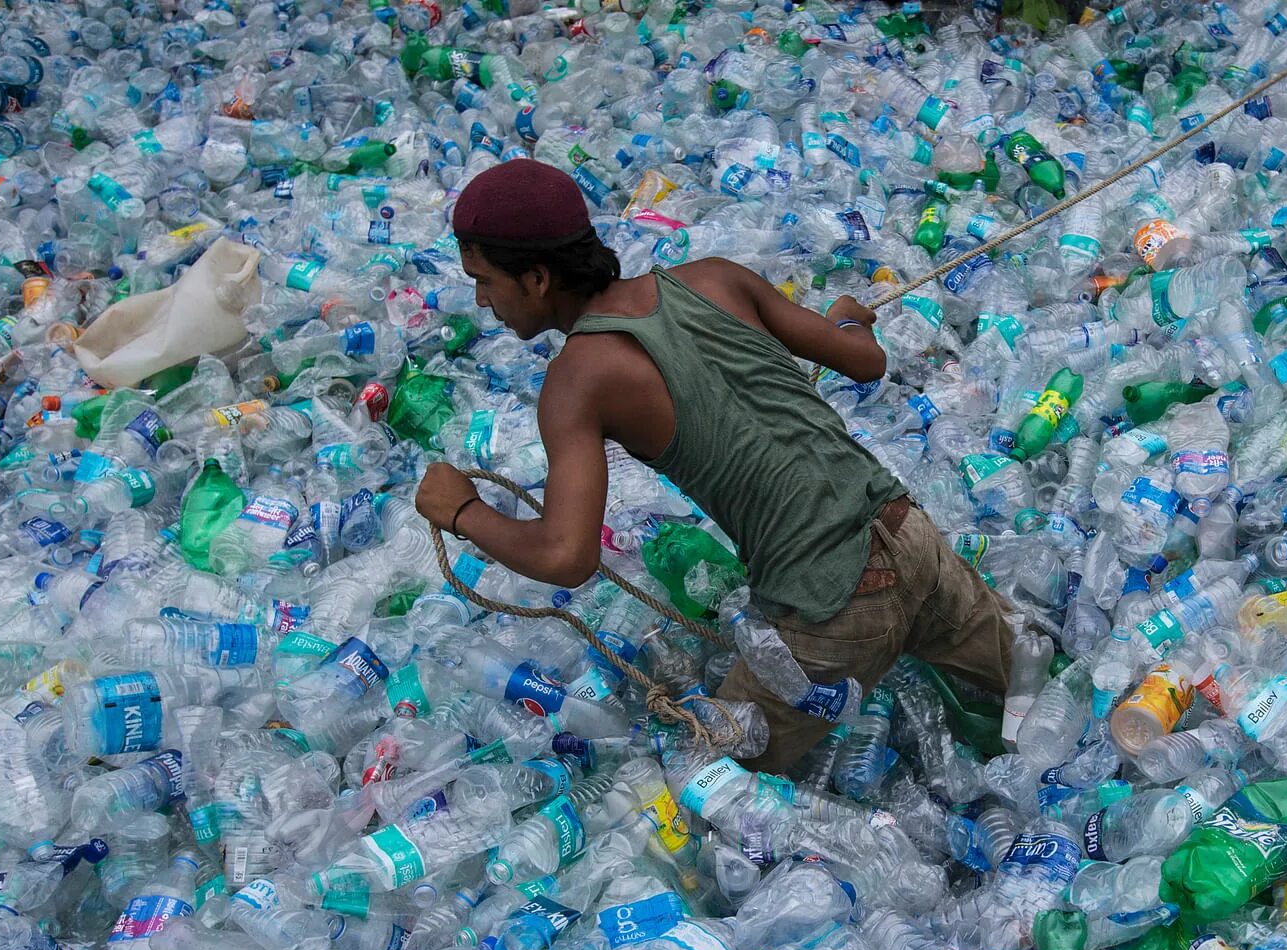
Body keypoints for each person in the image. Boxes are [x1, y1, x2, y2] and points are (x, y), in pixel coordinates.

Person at [414, 158, 1017, 772]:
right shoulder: (714, 278)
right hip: (908, 534)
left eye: (484, 281)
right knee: (1031, 681)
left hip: (830, 603)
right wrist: (842, 320)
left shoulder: (578, 381)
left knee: (707, 782)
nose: (483, 301)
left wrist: (461, 511)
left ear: (538, 278)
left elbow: (566, 557)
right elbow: (865, 361)